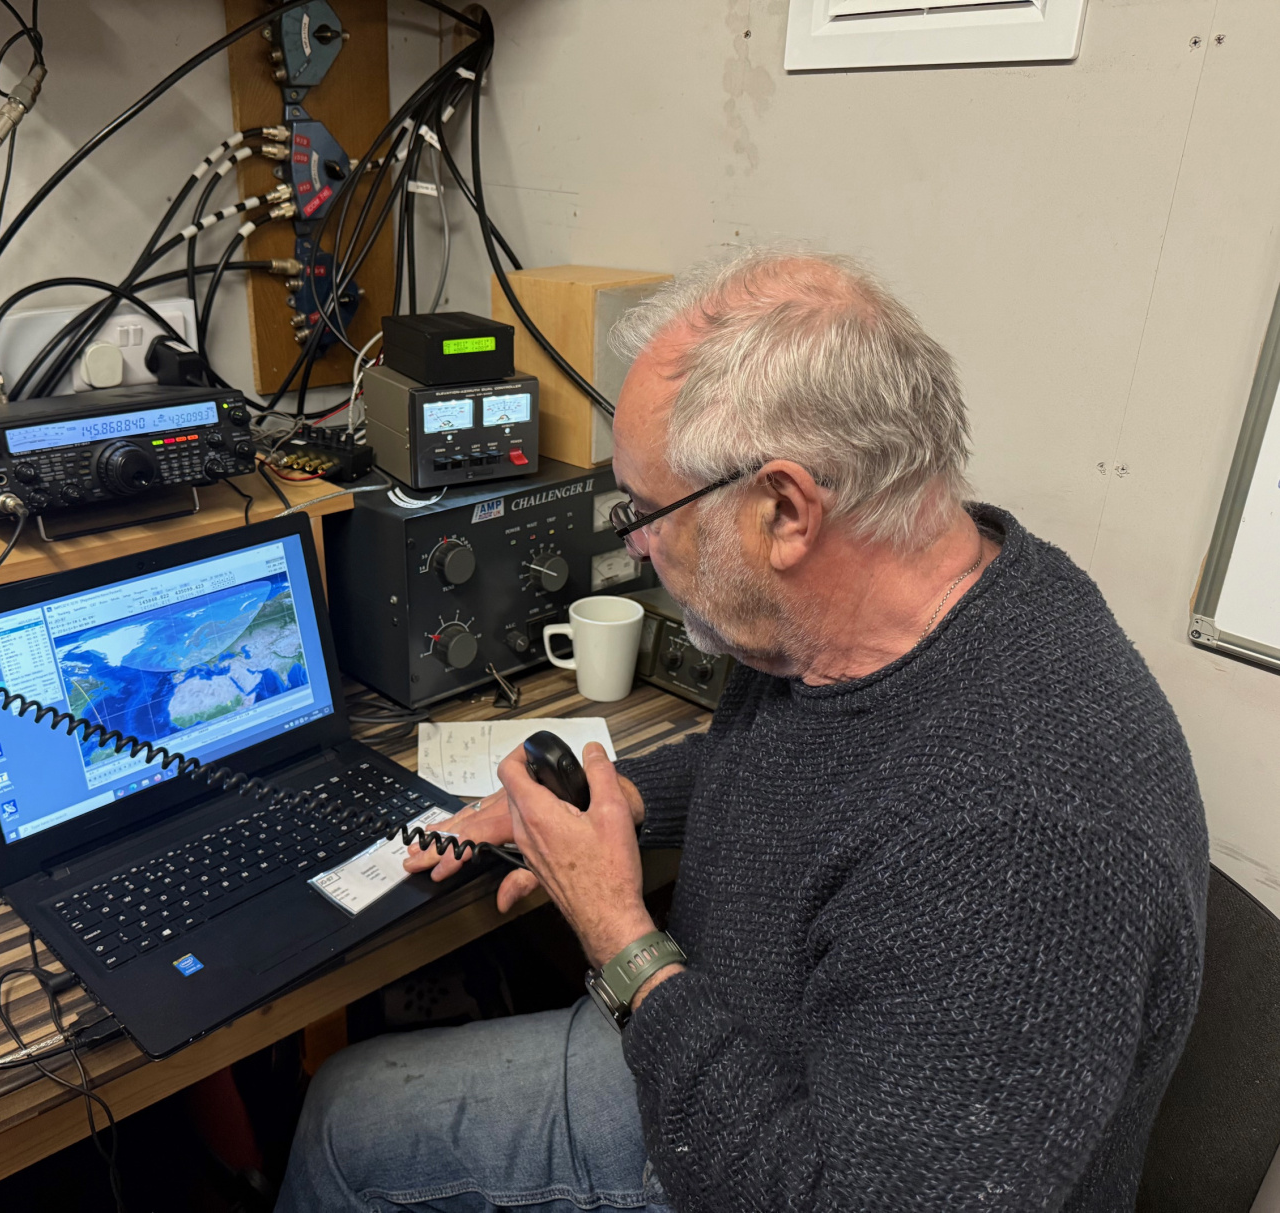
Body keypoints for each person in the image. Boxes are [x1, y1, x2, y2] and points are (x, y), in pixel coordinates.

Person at [274, 248, 1209, 1212]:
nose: (636, 544)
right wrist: (620, 799)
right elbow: (811, 768)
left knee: (345, 1127)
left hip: (761, 1144)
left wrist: (620, 936)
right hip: (719, 1035)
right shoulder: (880, 610)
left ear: (786, 509)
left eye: (648, 512)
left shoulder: (1022, 837)